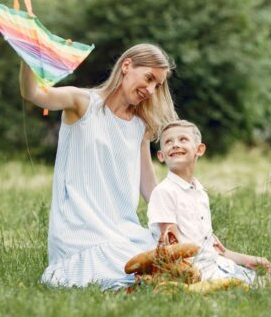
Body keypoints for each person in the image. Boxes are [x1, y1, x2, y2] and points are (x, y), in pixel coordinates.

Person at [20, 43, 177, 290]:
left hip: (123, 229)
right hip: (81, 231)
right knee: (127, 265)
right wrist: (28, 54)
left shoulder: (139, 124)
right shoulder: (82, 103)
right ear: (127, 66)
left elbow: (148, 185)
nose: (150, 89)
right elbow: (34, 94)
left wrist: (170, 222)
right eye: (148, 78)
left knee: (173, 254)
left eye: (157, 85)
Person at [147, 120, 270, 285]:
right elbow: (172, 248)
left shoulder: (200, 193)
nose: (175, 145)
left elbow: (213, 248)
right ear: (161, 156)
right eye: (168, 142)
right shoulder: (164, 192)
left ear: (199, 149)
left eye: (183, 139)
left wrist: (246, 259)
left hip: (216, 265)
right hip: (194, 273)